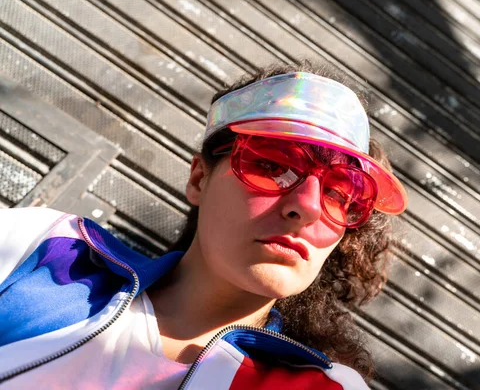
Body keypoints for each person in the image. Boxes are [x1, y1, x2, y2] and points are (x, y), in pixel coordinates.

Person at [0, 61, 407, 389]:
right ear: (199, 179)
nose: (307, 207)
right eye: (273, 166)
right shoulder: (41, 250)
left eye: (339, 193)